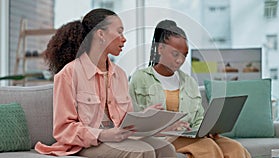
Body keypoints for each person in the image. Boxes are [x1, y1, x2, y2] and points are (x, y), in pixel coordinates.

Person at [34, 9, 177, 158]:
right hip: (85, 144)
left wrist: (144, 117)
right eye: (119, 32)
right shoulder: (69, 74)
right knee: (143, 151)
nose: (124, 39)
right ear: (100, 34)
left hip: (119, 139)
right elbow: (64, 130)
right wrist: (102, 134)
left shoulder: (119, 75)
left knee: (166, 148)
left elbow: (124, 121)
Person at [129, 19, 251, 158]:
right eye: (175, 54)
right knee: (207, 148)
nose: (180, 60)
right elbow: (135, 121)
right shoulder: (141, 78)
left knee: (235, 148)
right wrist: (164, 127)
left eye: (184, 55)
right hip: (162, 138)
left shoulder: (189, 82)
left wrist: (207, 130)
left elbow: (198, 118)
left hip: (191, 135)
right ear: (160, 48)